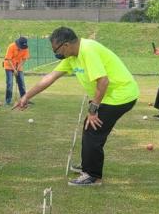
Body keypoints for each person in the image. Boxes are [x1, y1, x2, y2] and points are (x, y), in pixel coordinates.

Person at [14, 27, 139, 187]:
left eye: (56, 50)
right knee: (90, 128)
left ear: (65, 45)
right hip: (110, 95)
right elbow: (50, 78)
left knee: (93, 129)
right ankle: (88, 165)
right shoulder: (72, 57)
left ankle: (93, 176)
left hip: (121, 95)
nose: (56, 54)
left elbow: (103, 81)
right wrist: (26, 96)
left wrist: (93, 109)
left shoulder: (88, 50)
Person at [3, 36, 30, 105]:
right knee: (10, 83)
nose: (22, 49)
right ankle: (8, 101)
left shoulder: (25, 48)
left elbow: (24, 59)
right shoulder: (11, 46)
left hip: (18, 66)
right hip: (9, 66)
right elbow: (8, 59)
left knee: (21, 83)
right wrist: (14, 69)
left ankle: (24, 99)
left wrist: (18, 68)